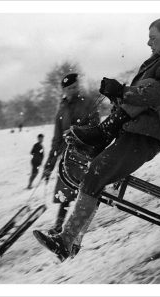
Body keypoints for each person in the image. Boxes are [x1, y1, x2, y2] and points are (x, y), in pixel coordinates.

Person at [33, 18, 160, 262]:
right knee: (95, 175)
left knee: (96, 174)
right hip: (147, 130)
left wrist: (124, 91)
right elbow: (150, 97)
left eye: (153, 37)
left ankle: (67, 240)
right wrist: (121, 96)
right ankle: (70, 239)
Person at [40, 73, 100, 238]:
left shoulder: (87, 103)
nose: (74, 90)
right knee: (65, 193)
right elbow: (57, 139)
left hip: (85, 154)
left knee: (87, 192)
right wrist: (49, 166)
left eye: (75, 86)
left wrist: (78, 132)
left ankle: (79, 228)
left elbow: (96, 126)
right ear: (64, 90)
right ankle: (59, 226)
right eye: (70, 88)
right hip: (68, 158)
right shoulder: (61, 109)